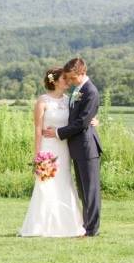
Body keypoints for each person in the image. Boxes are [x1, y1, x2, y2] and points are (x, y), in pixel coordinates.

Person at [18, 67, 88, 237]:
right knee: (46, 185)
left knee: (64, 183)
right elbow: (37, 128)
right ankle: (42, 226)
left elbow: (79, 119)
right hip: (48, 149)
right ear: (55, 81)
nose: (68, 81)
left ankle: (67, 225)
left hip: (64, 149)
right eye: (65, 78)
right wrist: (38, 154)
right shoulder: (43, 101)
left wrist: (92, 119)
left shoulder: (68, 100)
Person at [43, 58, 103, 237]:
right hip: (77, 148)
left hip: (87, 148)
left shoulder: (90, 91)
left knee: (91, 191)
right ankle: (85, 226)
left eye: (71, 78)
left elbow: (81, 122)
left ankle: (92, 230)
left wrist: (58, 133)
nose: (69, 81)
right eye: (67, 78)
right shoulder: (78, 90)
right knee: (83, 191)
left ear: (82, 73)